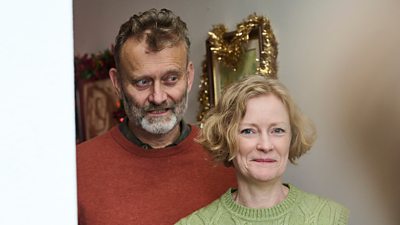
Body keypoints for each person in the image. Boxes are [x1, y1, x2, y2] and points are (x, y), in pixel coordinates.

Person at [76, 8, 236, 225]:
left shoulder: (229, 160)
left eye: (171, 78)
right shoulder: (77, 167)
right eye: (142, 82)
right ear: (117, 83)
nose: (158, 97)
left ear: (188, 78)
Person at [175, 75, 349, 225]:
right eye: (249, 131)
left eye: (277, 130)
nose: (265, 146)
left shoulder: (330, 217)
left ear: (291, 138)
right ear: (227, 139)